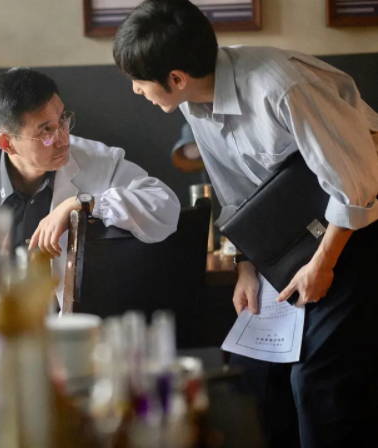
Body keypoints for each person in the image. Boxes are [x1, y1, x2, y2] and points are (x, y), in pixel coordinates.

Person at [113, 1, 378, 447]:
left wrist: (324, 264)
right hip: (296, 237)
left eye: (138, 81)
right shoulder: (193, 101)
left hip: (358, 228)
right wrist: (246, 266)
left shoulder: (282, 88)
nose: (137, 90)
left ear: (176, 78)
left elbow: (356, 186)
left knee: (317, 381)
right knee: (251, 374)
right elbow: (237, 192)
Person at [0, 67, 180, 308]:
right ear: (7, 144)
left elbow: (165, 207)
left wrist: (84, 203)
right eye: (45, 131)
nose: (63, 139)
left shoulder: (99, 162)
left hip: (75, 321)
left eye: (62, 120)